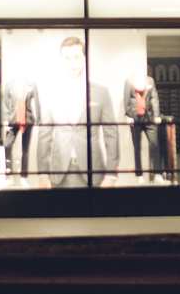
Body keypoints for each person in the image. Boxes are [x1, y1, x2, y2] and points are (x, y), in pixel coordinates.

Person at [36, 36, 119, 188]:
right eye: (67, 58)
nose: (72, 64)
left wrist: (111, 175)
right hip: (58, 172)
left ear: (84, 58)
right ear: (61, 60)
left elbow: (111, 134)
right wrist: (43, 174)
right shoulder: (50, 93)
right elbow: (44, 136)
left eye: (76, 57)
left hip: (94, 172)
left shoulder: (101, 92)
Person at [123, 69, 162, 184]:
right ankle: (139, 175)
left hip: (149, 117)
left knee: (155, 145)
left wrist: (156, 115)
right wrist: (128, 115)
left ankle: (157, 174)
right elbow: (127, 99)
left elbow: (154, 98)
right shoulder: (129, 82)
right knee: (137, 148)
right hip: (135, 118)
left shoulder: (150, 81)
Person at [2, 75, 40, 187]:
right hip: (13, 119)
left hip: (27, 119)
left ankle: (23, 177)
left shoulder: (31, 83)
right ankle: (9, 174)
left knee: (25, 149)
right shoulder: (9, 84)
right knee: (7, 145)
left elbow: (36, 101)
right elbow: (5, 103)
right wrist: (6, 119)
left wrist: (38, 118)